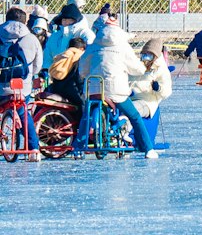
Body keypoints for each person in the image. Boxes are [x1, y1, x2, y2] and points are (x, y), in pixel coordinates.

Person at [76, 20, 157, 156]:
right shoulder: (123, 46)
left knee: (87, 116)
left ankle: (78, 147)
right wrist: (142, 69)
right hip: (116, 90)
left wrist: (85, 75)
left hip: (94, 89)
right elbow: (136, 68)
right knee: (135, 117)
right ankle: (148, 149)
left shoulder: (93, 45)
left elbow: (83, 68)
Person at [0, 6, 44, 159]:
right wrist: (31, 76)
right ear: (25, 22)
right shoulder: (31, 38)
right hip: (21, 88)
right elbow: (38, 65)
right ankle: (33, 150)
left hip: (0, 89)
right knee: (23, 112)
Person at [129, 39, 173, 144]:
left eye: (149, 54)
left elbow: (167, 90)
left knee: (131, 110)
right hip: (130, 97)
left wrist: (158, 88)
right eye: (144, 54)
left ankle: (123, 132)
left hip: (147, 101)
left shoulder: (161, 70)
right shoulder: (138, 66)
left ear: (155, 56)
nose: (146, 57)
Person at [41, 36, 88, 116]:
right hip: (72, 91)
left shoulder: (62, 55)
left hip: (56, 88)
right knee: (84, 106)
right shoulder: (79, 57)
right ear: (82, 49)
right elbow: (79, 79)